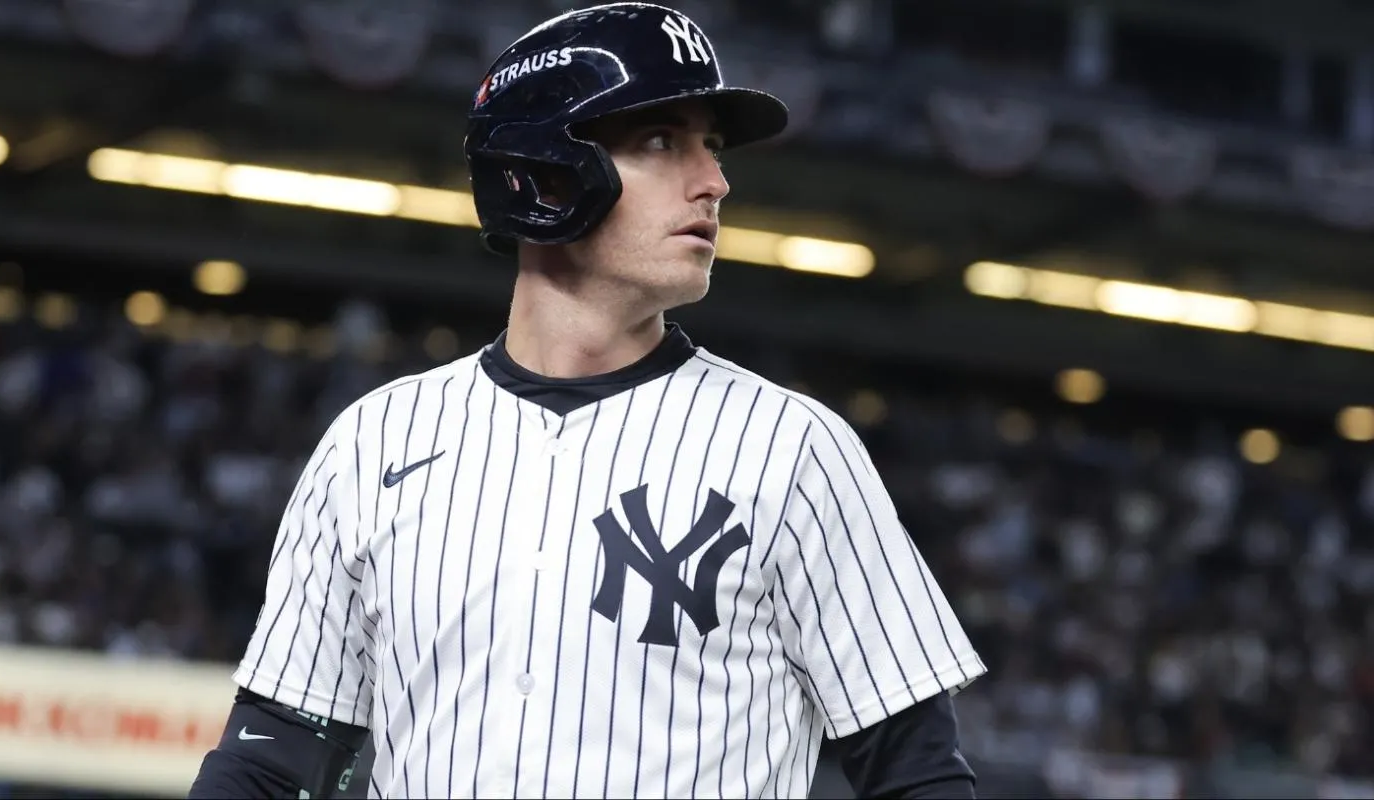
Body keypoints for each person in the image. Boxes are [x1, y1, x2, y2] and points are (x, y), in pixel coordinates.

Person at [187, 4, 986, 798]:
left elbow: (918, 775)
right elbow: (272, 761)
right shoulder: (374, 443)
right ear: (543, 170)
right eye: (661, 142)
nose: (714, 182)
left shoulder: (793, 447)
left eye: (710, 147)